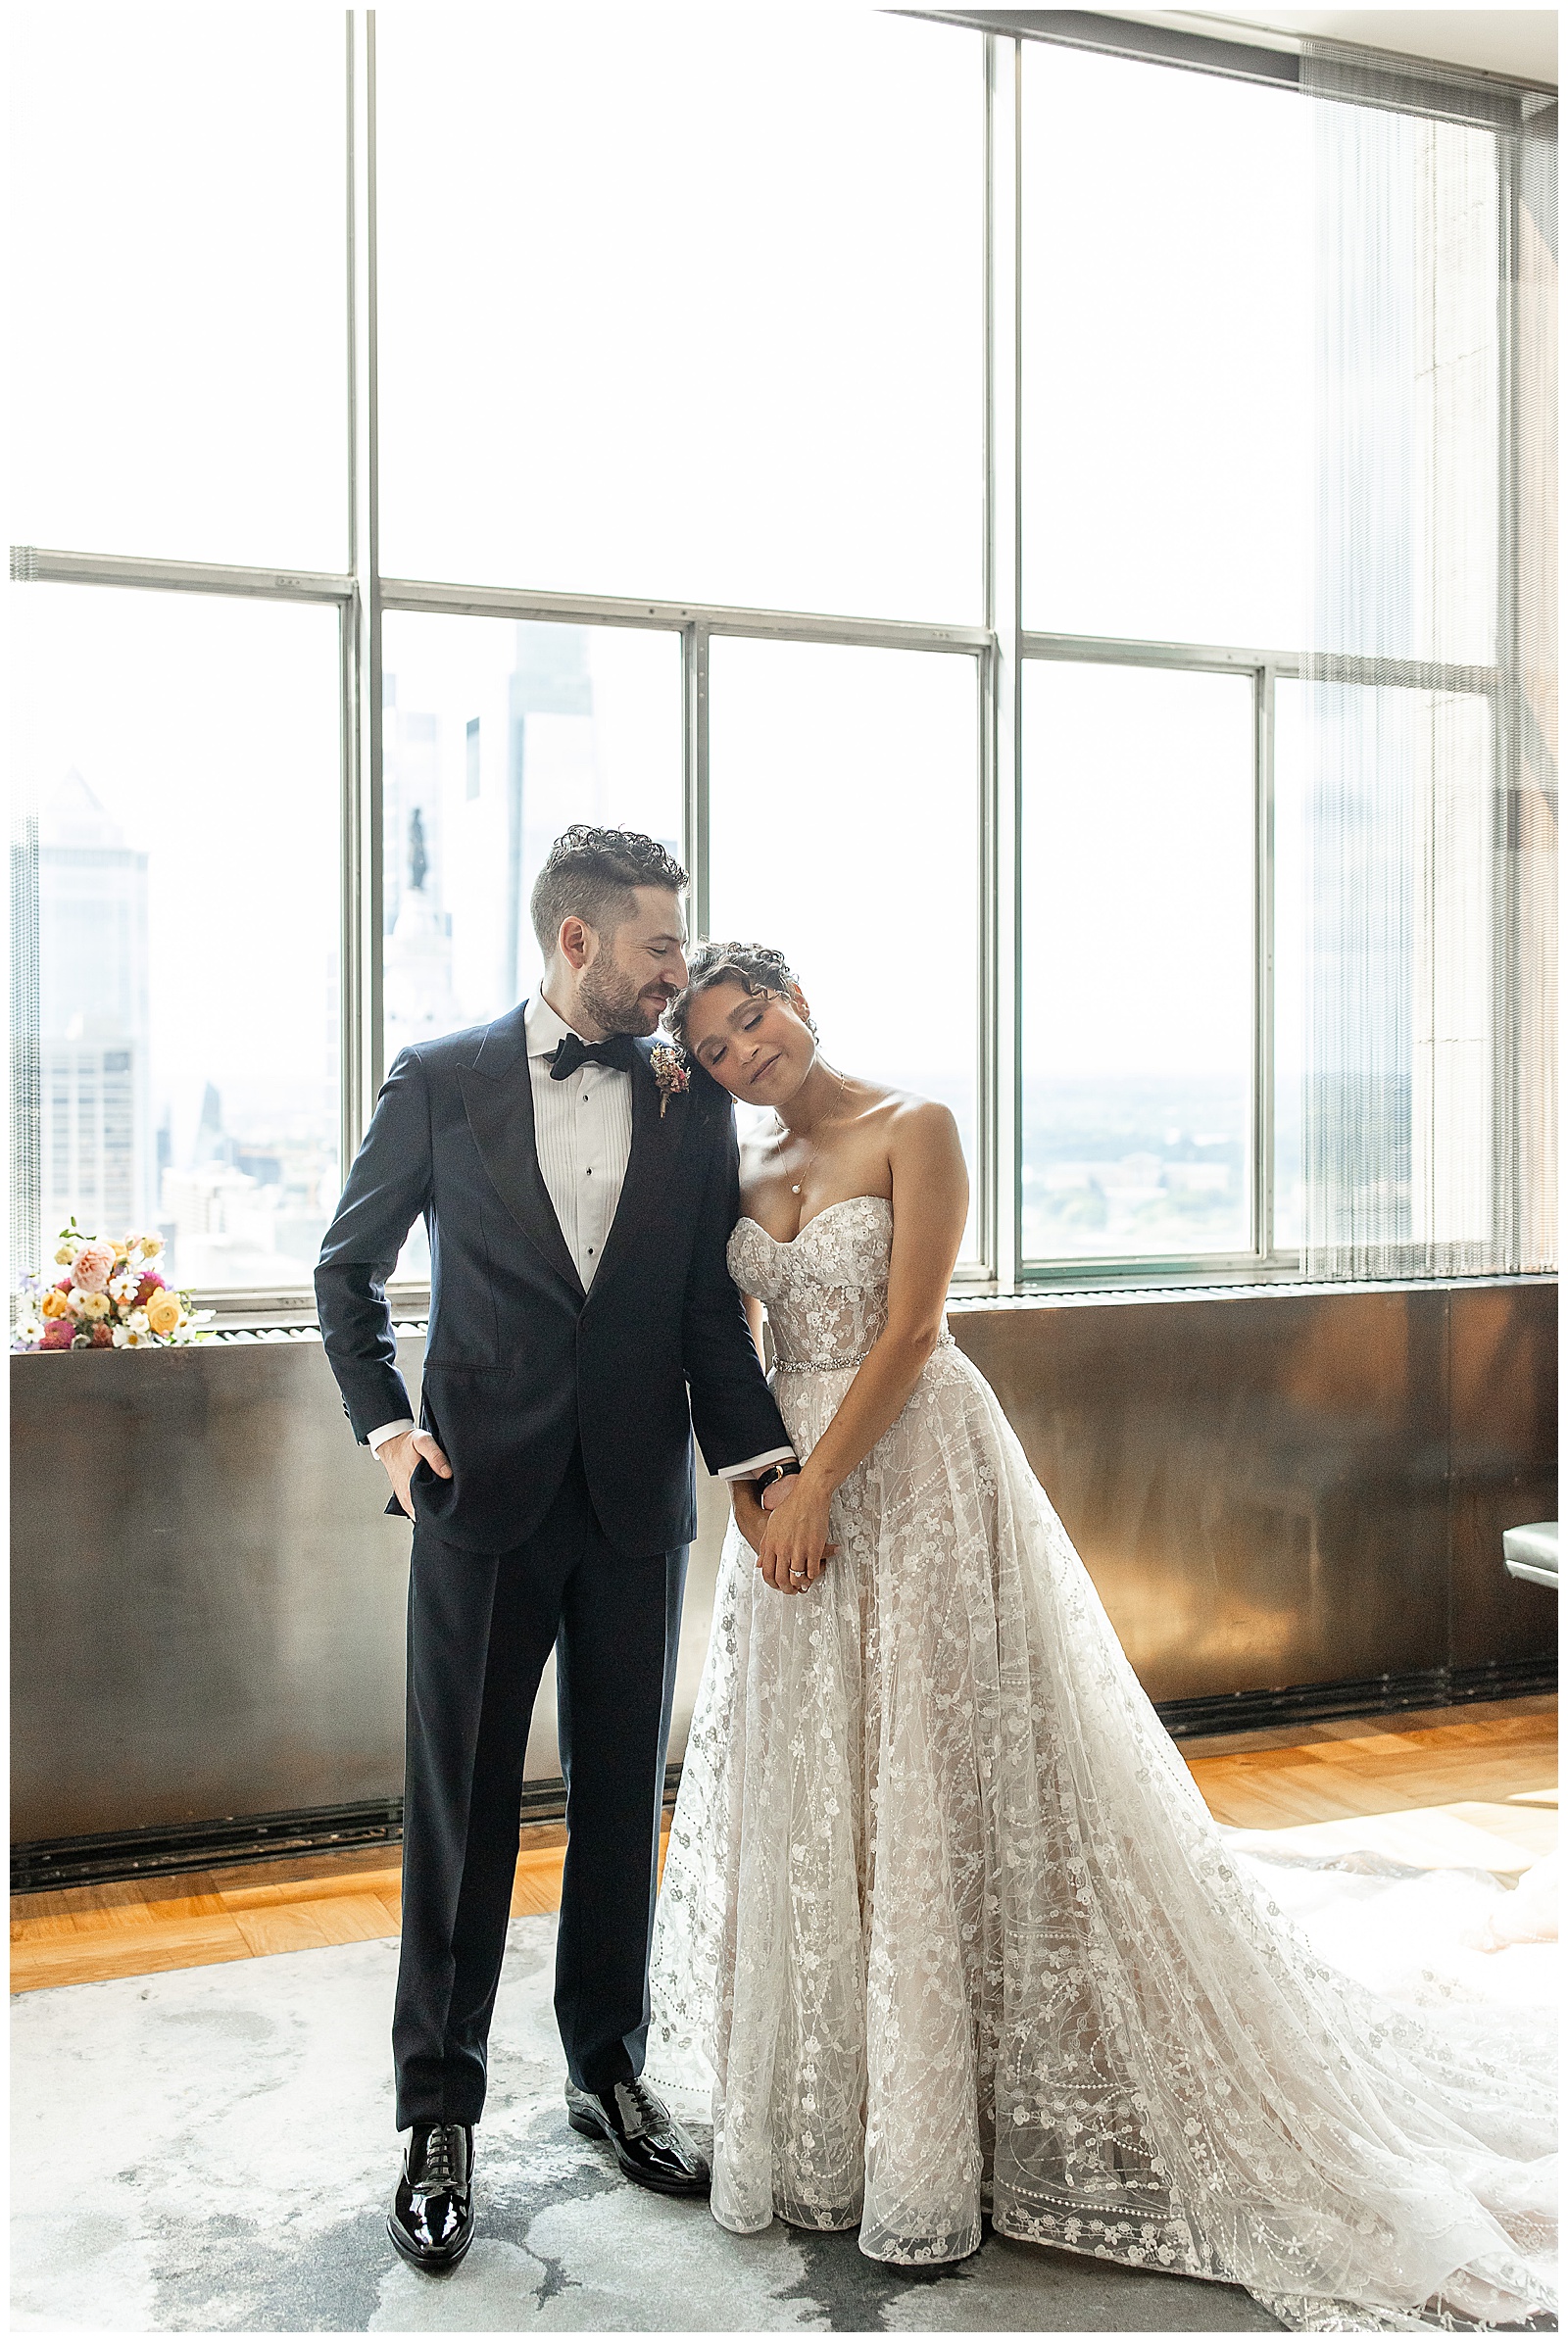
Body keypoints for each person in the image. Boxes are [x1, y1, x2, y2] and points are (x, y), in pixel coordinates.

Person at [647, 942, 1556, 2333]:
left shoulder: (916, 1126)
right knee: (826, 1786)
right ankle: (860, 2104)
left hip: (917, 1471)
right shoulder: (738, 1169)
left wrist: (821, 1478)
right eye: (713, 1044)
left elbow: (914, 1328)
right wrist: (764, 1490)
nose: (744, 1052)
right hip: (790, 1505)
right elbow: (731, 1342)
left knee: (954, 1769)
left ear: (802, 998)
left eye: (753, 1017)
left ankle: (987, 2091)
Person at [315, 835, 809, 2274]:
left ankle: (608, 2067)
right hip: (477, 1503)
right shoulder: (441, 1076)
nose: (681, 972)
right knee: (461, 1810)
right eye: (660, 949)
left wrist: (763, 1473)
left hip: (633, 1508)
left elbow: (710, 1317)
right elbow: (345, 1270)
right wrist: (390, 1432)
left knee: (615, 1810)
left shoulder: (685, 1098)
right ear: (580, 944)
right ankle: (437, 2114)